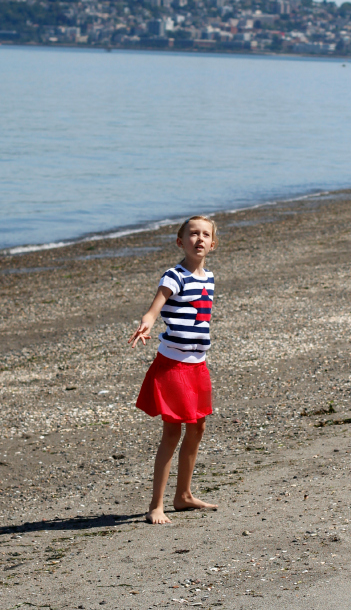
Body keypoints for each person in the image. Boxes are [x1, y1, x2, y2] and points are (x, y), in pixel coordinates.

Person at [128, 215, 219, 524]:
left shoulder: (208, 278)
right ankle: (156, 504)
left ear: (212, 244)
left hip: (197, 365)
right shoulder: (174, 276)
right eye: (193, 234)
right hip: (173, 365)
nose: (199, 239)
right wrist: (146, 323)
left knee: (198, 428)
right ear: (181, 241)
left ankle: (183, 496)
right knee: (172, 431)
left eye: (206, 234)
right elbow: (155, 309)